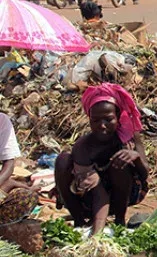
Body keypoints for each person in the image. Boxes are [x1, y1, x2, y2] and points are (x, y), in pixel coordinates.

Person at [54, 84, 149, 228]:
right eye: (96, 121)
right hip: (88, 199)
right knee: (62, 160)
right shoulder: (83, 147)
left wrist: (135, 157)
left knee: (120, 163)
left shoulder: (130, 137)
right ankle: (79, 221)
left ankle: (119, 220)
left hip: (125, 196)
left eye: (108, 119)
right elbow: (99, 193)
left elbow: (144, 174)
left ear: (118, 117)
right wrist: (96, 235)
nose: (102, 125)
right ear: (89, 119)